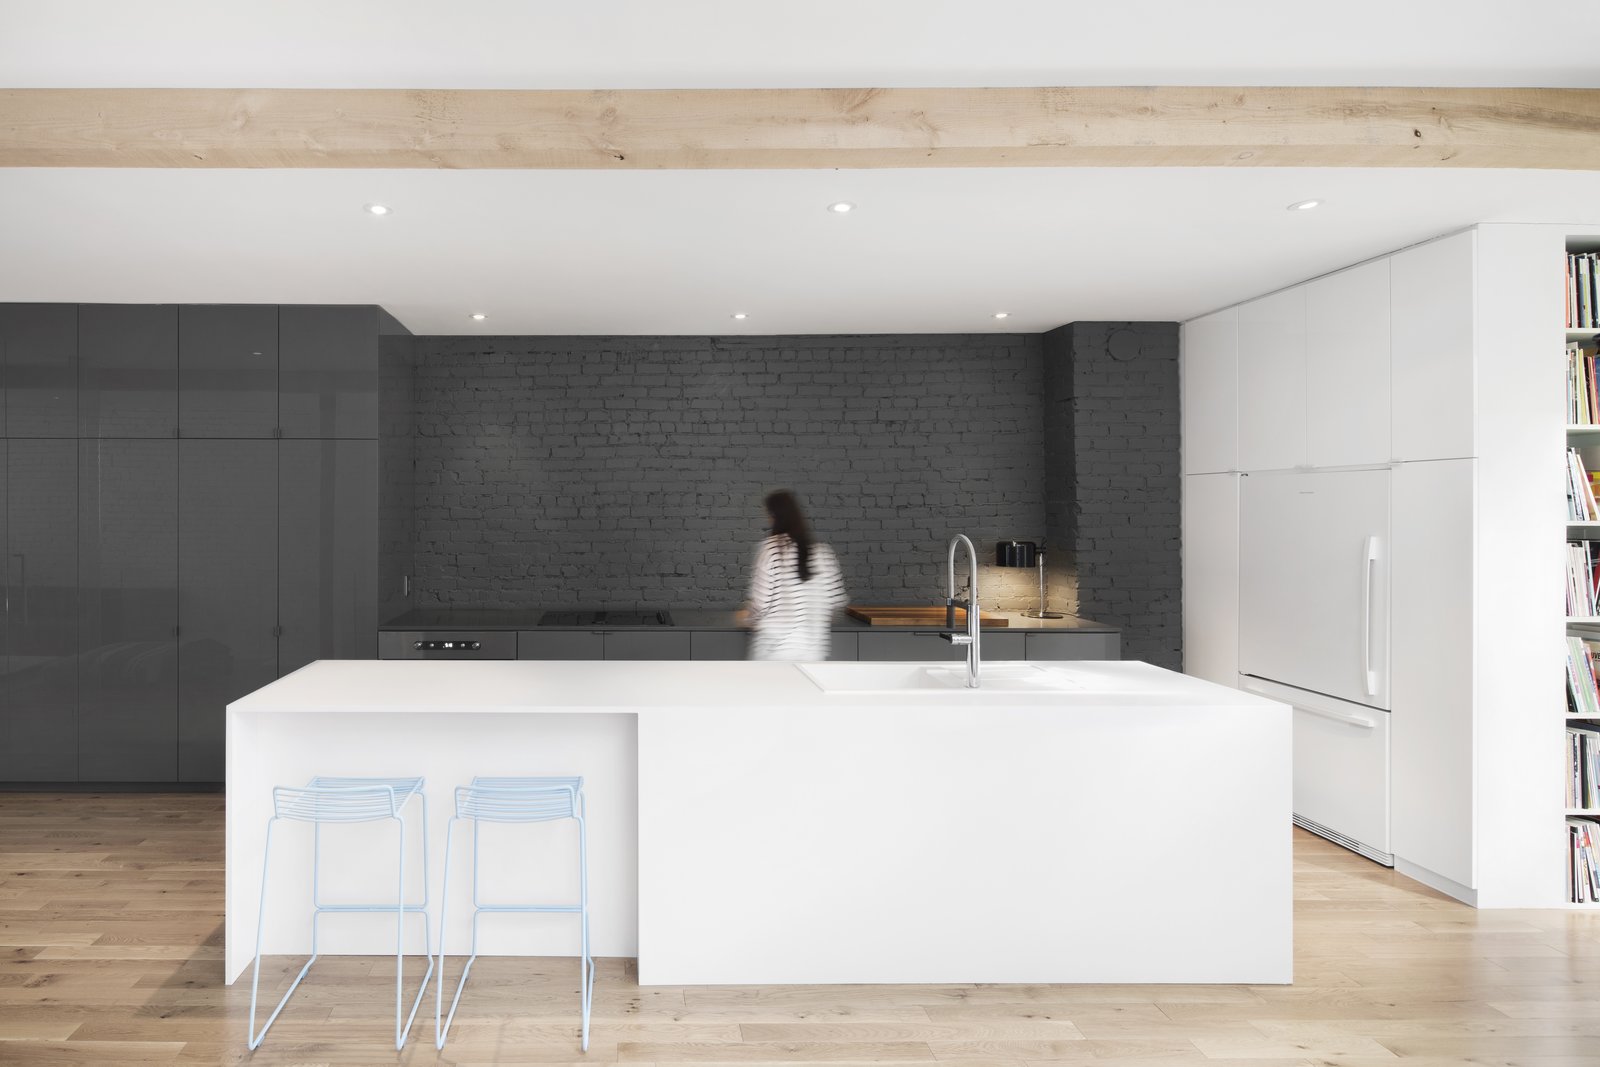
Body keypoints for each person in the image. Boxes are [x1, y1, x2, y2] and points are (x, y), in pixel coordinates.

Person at [743, 490, 847, 661]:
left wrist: (745, 618)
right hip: (813, 654)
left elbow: (760, 605)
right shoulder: (823, 553)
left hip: (775, 652)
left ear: (774, 516)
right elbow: (835, 604)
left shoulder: (771, 550)